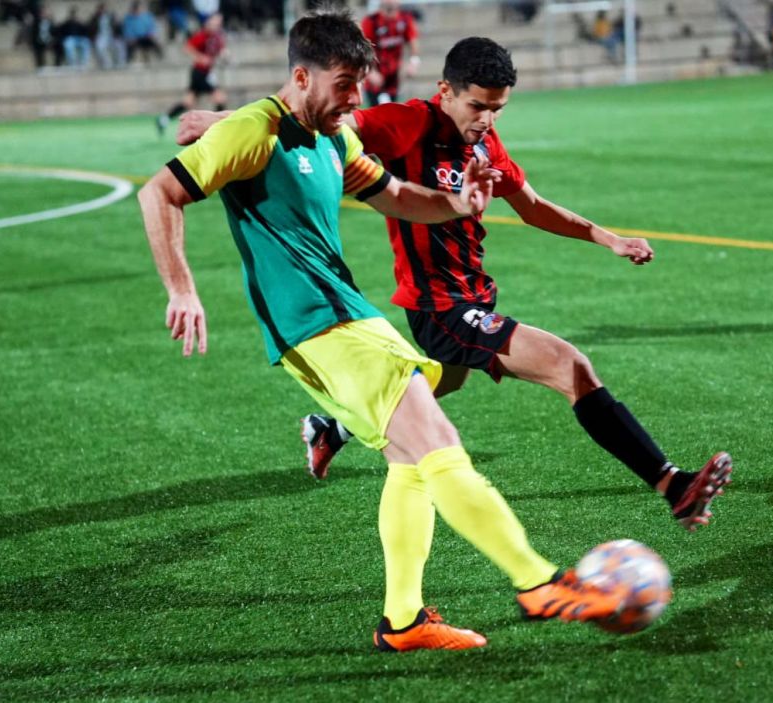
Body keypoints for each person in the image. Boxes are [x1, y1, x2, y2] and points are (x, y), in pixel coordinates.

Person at [139, 10, 625, 652]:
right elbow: (159, 193)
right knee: (436, 438)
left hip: (349, 311)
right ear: (302, 76)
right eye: (344, 85)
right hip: (311, 323)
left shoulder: (334, 138)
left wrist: (456, 203)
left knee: (409, 459)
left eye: (360, 85)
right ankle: (538, 583)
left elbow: (396, 194)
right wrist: (182, 288)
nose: (355, 99)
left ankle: (403, 620)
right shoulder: (255, 132)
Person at [178, 37, 733, 531]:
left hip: (473, 294)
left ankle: (332, 430)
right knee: (571, 367)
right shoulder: (408, 122)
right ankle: (672, 484)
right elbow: (321, 117)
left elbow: (532, 206)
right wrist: (225, 119)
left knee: (442, 382)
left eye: (497, 109)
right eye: (477, 106)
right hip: (439, 306)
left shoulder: (485, 143)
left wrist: (608, 238)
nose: (487, 119)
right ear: (445, 90)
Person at [156, 13, 227, 136]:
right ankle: (218, 129)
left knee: (188, 102)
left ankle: (164, 119)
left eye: (219, 22)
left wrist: (225, 54)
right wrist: (200, 58)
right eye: (215, 22)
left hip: (206, 73)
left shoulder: (216, 37)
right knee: (219, 98)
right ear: (208, 22)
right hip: (199, 73)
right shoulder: (202, 35)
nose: (217, 24)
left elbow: (221, 50)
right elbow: (187, 48)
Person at [361, 0, 419, 105]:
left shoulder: (405, 19)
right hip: (376, 75)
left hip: (393, 76)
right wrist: (370, 71)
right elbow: (363, 48)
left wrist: (413, 62)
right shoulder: (372, 21)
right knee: (377, 112)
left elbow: (413, 41)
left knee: (392, 109)